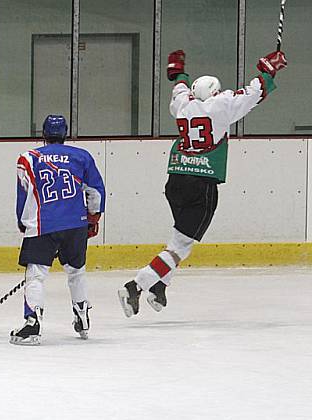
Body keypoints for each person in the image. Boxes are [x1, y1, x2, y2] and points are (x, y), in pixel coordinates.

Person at [118, 48, 287, 316]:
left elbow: (179, 86)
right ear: (215, 92)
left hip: (175, 181)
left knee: (178, 239)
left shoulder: (183, 105)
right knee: (179, 248)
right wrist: (268, 72)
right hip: (202, 185)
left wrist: (180, 72)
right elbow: (253, 93)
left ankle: (160, 286)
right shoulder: (221, 106)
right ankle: (135, 287)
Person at [11, 115, 105, 345]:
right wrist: (93, 217)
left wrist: (23, 222)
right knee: (76, 271)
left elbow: (23, 194)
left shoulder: (28, 158)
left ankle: (32, 324)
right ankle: (82, 317)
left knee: (36, 274)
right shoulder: (82, 156)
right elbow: (95, 191)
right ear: (65, 133)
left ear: (43, 134)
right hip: (76, 224)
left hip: (43, 224)